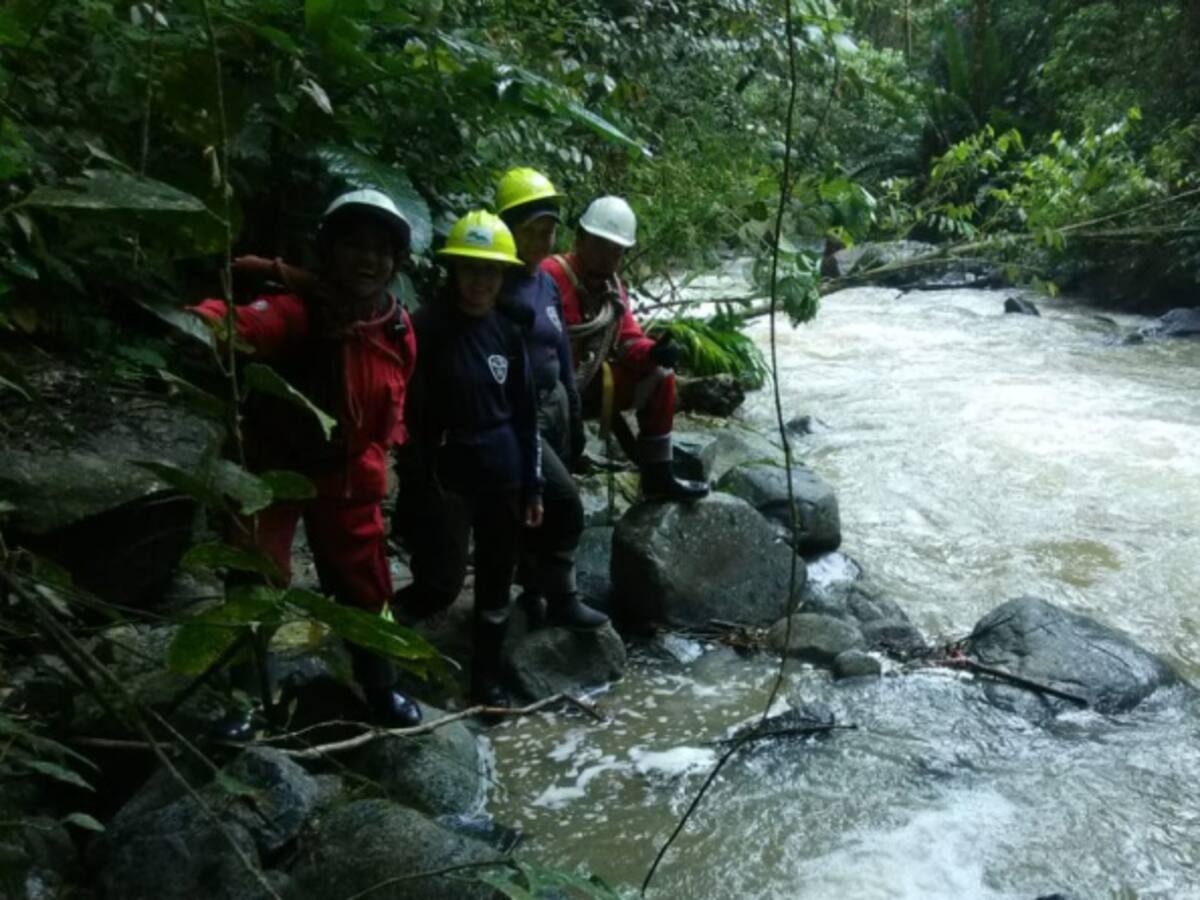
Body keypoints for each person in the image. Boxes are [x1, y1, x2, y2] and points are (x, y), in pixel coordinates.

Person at [190, 188, 423, 734]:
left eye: (380, 250)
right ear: (330, 250)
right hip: (276, 470)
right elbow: (245, 324)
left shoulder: (396, 325)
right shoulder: (297, 310)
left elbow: (400, 387)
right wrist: (197, 323)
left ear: (395, 262)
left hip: (350, 472)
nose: (368, 260)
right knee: (254, 575)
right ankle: (242, 703)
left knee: (367, 587)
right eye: (354, 246)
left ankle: (381, 687)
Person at [392, 210, 543, 707]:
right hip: (447, 472)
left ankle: (487, 678)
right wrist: (412, 482)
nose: (481, 281)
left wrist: (534, 484)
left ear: (503, 276)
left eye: (491, 271)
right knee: (440, 582)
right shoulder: (424, 329)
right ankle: (376, 642)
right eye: (472, 268)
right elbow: (402, 411)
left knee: (498, 579)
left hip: (503, 470)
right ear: (454, 269)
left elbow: (525, 413)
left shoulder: (508, 330)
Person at [494, 167, 608, 631]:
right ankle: (563, 597)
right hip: (517, 414)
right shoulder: (490, 283)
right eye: (534, 231)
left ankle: (533, 590)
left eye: (550, 231)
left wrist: (576, 411)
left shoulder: (543, 280)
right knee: (564, 503)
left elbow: (559, 343)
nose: (545, 241)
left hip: (555, 400)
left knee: (535, 504)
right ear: (509, 230)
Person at [541, 196, 709, 501]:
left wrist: (653, 353)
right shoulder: (550, 275)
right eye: (600, 247)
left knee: (661, 375)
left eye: (615, 252)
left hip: (589, 386)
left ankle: (658, 475)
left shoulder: (613, 289)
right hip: (550, 388)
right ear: (580, 239)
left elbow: (628, 339)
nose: (607, 259)